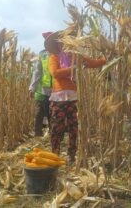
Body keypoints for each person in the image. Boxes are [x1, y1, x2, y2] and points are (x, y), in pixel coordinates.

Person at [44, 31, 106, 164]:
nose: (63, 45)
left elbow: (94, 63)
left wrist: (105, 58)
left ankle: (72, 156)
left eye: (65, 42)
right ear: (57, 45)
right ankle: (55, 155)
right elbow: (55, 73)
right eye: (61, 43)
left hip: (73, 98)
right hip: (58, 99)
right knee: (57, 128)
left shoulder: (76, 57)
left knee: (74, 128)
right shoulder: (54, 58)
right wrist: (73, 69)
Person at [28, 32, 53, 137]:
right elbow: (37, 72)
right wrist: (32, 88)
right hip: (41, 90)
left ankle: (53, 135)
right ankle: (37, 135)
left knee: (51, 115)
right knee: (39, 114)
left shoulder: (59, 54)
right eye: (46, 41)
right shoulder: (42, 54)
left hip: (55, 91)